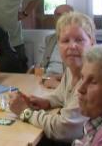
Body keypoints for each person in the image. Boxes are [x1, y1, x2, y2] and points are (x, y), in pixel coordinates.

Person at [9, 12, 95, 144]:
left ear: (92, 42)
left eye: (79, 40)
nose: (72, 46)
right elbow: (61, 96)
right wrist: (45, 101)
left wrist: (25, 112)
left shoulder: (92, 79)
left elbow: (64, 129)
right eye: (65, 41)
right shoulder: (71, 69)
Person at [30, 4, 74, 89]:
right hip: (46, 79)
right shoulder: (48, 39)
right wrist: (38, 80)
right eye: (58, 15)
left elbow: (78, 72)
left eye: (65, 15)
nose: (61, 18)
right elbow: (39, 65)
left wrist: (56, 79)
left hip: (65, 82)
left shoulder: (77, 43)